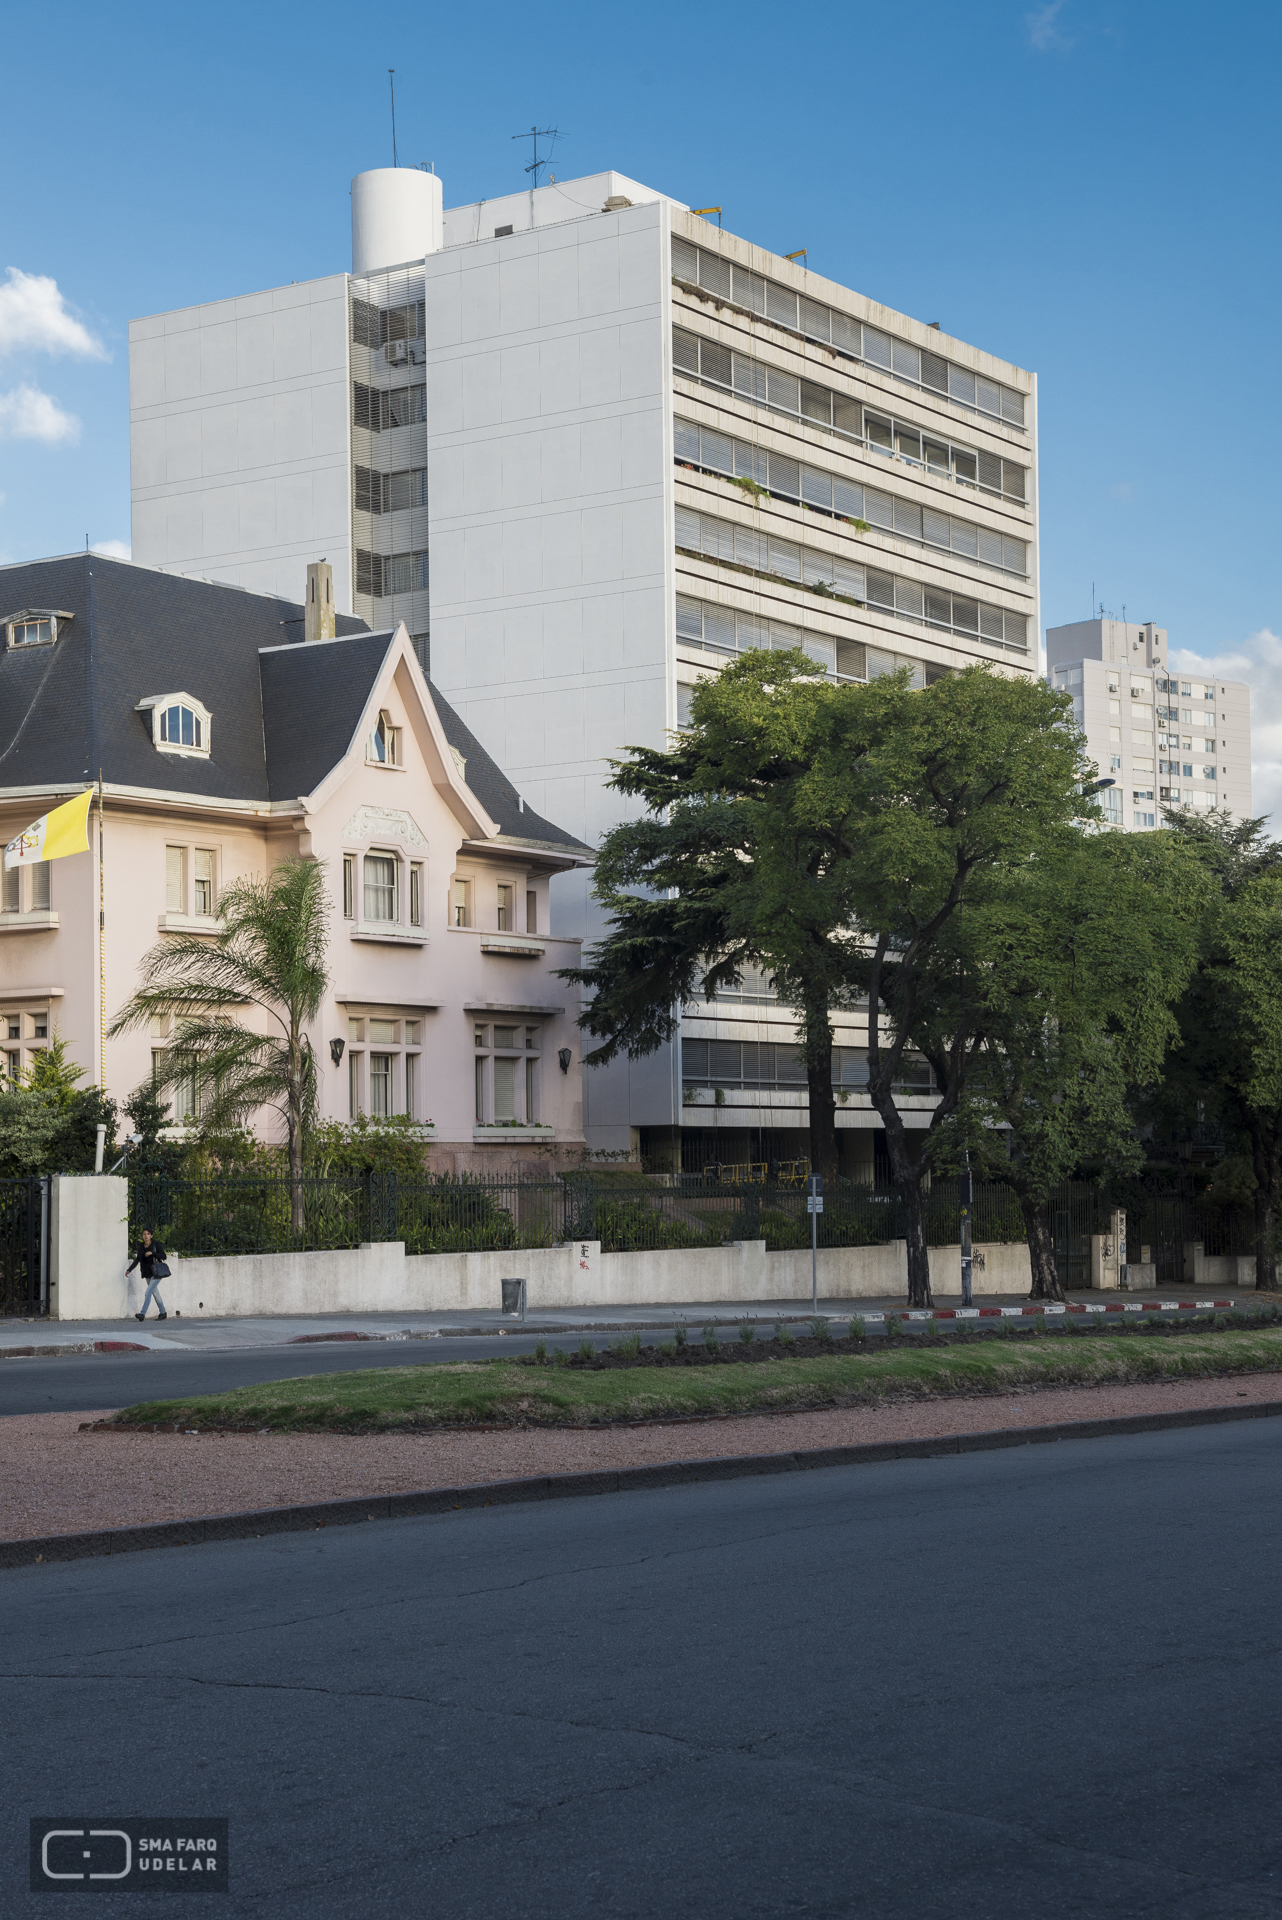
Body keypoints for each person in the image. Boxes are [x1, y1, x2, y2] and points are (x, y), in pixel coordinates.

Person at [127, 1227, 168, 1320]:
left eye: (148, 1234)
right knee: (155, 1293)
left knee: (148, 1292)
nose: (146, 1236)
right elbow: (137, 1259)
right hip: (147, 1273)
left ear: (151, 1235)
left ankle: (142, 1314)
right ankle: (163, 1312)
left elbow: (163, 1256)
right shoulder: (141, 1247)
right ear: (142, 1236)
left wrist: (152, 1253)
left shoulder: (156, 1244)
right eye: (144, 1234)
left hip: (157, 1272)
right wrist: (129, 1270)